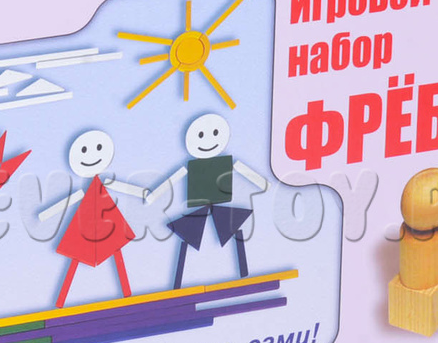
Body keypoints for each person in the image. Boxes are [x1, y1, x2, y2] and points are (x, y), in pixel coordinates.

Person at [148, 113, 268, 289]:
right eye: (201, 135)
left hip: (220, 208)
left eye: (214, 133)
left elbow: (243, 170)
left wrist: (263, 184)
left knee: (233, 230)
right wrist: (153, 195)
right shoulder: (193, 167)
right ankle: (178, 285)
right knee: (186, 237)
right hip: (201, 209)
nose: (208, 140)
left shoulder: (225, 163)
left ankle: (244, 275)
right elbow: (174, 178)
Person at [39, 129, 145, 308]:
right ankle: (61, 301)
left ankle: (127, 294)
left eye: (98, 148)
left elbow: (121, 187)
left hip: (107, 220)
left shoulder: (103, 184)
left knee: (112, 248)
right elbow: (72, 198)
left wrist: (143, 192)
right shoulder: (87, 190)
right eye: (84, 151)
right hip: (88, 222)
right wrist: (46, 214)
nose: (92, 155)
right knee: (79, 254)